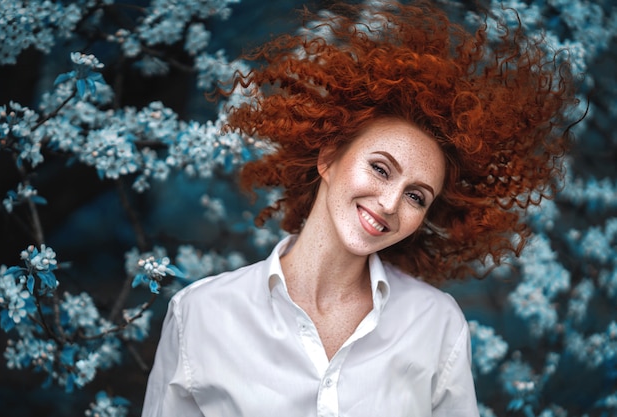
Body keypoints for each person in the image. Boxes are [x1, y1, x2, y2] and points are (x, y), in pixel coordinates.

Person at [141, 0, 577, 416]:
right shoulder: (200, 314)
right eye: (381, 169)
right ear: (328, 157)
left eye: (416, 196)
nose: (389, 204)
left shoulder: (435, 324)